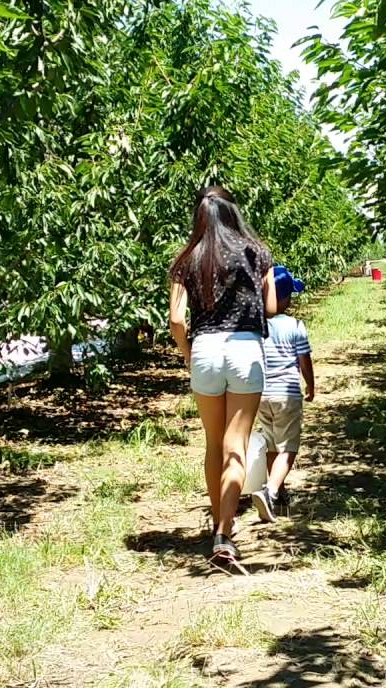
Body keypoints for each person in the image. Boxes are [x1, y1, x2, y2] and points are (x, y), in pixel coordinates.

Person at [168, 186, 277, 564]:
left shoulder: (186, 259)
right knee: (237, 445)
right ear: (233, 212)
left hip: (205, 351)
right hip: (245, 349)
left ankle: (219, 526)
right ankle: (223, 534)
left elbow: (177, 319)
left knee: (214, 444)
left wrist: (188, 354)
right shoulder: (256, 251)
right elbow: (272, 306)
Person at [251, 266, 314, 523]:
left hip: (260, 394)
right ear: (285, 298)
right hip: (287, 393)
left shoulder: (256, 327)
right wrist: (311, 385)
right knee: (288, 446)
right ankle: (271, 491)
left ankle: (280, 490)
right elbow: (304, 360)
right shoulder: (295, 326)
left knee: (269, 442)